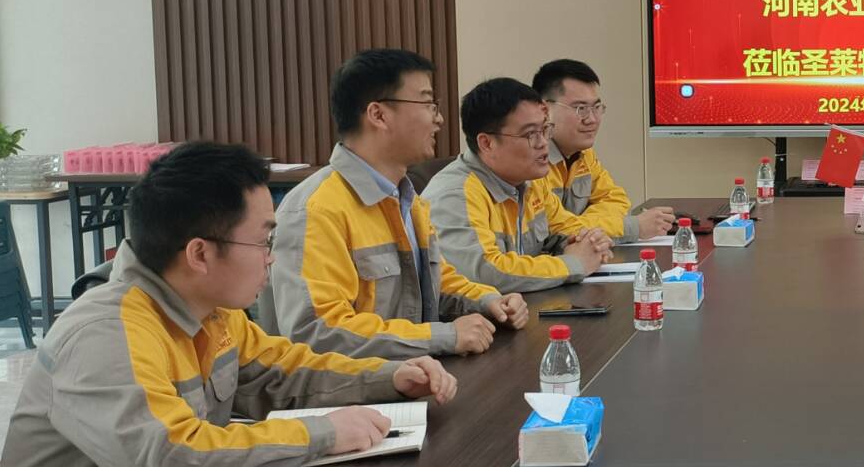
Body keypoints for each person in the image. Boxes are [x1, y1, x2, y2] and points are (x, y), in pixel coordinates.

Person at [0, 143, 458, 467]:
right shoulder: (106, 333)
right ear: (200, 254)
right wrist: (322, 433)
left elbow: (282, 371)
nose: (271, 257)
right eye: (263, 240)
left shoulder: (212, 309)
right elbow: (165, 460)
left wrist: (390, 376)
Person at [270, 49, 529, 358]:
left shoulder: (406, 198)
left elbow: (436, 282)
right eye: (428, 104)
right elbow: (318, 332)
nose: (439, 118)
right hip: (362, 386)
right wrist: (442, 336)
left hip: (414, 374)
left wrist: (488, 301)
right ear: (378, 115)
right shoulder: (316, 210)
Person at [424, 78, 613, 294]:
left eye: (545, 129)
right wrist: (573, 264)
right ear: (487, 143)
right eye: (531, 134)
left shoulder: (529, 182)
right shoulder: (456, 195)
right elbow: (486, 272)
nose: (543, 143)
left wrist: (589, 242)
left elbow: (565, 228)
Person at [533, 58, 676, 241]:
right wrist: (631, 227)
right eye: (580, 108)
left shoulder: (583, 154)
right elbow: (555, 230)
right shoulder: (532, 160)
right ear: (544, 110)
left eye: (596, 107)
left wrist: (583, 225)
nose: (592, 119)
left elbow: (616, 200)